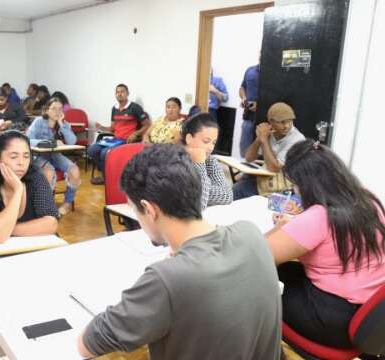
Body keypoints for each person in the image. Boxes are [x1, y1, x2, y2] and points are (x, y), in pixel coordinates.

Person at [77, 144, 281, 360]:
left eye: (134, 209)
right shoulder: (251, 234)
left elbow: (87, 343)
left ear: (148, 209)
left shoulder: (166, 279)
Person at [266, 139, 385, 350]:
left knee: (260, 282)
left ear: (308, 184)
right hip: (370, 315)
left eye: (295, 184)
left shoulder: (319, 217)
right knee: (286, 269)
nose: (296, 190)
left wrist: (282, 228)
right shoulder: (369, 201)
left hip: (332, 320)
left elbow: (259, 253)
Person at [0, 130, 59, 243]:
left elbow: (51, 224)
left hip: (34, 249)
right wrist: (18, 190)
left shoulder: (36, 178)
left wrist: (6, 230)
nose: (21, 163)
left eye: (26, 156)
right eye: (14, 157)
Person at [233, 102, 305, 200]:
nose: (287, 126)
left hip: (284, 186)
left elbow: (274, 168)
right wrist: (259, 139)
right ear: (271, 122)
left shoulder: (297, 139)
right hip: (266, 178)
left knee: (238, 190)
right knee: (239, 183)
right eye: (282, 122)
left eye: (290, 121)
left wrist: (264, 140)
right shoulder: (269, 132)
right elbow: (249, 158)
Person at [26, 97, 81, 216]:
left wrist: (62, 124)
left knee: (74, 170)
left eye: (60, 109)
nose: (57, 112)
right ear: (46, 110)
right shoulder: (39, 121)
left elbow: (72, 141)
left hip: (54, 155)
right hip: (37, 156)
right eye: (54, 108)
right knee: (49, 171)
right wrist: (51, 143)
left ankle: (67, 203)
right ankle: (47, 205)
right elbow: (27, 140)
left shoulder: (64, 124)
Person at [89, 84, 150, 185]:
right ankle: (108, 175)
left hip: (127, 140)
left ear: (127, 93)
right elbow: (112, 128)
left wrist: (135, 134)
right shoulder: (114, 108)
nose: (120, 94)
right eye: (117, 92)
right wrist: (102, 127)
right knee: (91, 150)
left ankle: (108, 178)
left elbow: (147, 125)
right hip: (115, 139)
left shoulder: (135, 107)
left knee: (105, 153)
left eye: (122, 91)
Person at [181, 113, 233, 209]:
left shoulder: (210, 160)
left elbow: (227, 195)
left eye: (213, 143)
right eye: (206, 141)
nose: (210, 148)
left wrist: (198, 190)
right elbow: (198, 205)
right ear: (189, 138)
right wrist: (200, 164)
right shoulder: (175, 160)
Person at [239, 60, 260, 155]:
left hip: (265, 122)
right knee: (244, 151)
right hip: (248, 118)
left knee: (260, 153)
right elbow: (242, 88)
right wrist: (244, 98)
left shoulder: (274, 72)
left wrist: (260, 105)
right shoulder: (250, 70)